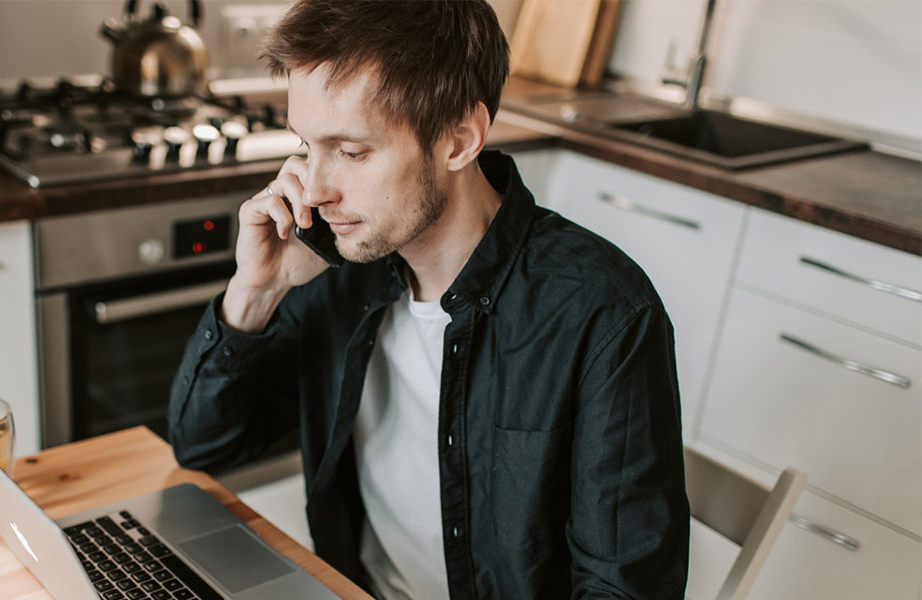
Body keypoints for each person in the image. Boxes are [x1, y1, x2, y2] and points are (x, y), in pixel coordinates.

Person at [168, 1, 689, 598]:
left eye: (351, 152)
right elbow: (204, 445)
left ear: (459, 140)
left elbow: (623, 589)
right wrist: (255, 292)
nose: (313, 190)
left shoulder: (603, 313)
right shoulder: (336, 264)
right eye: (308, 146)